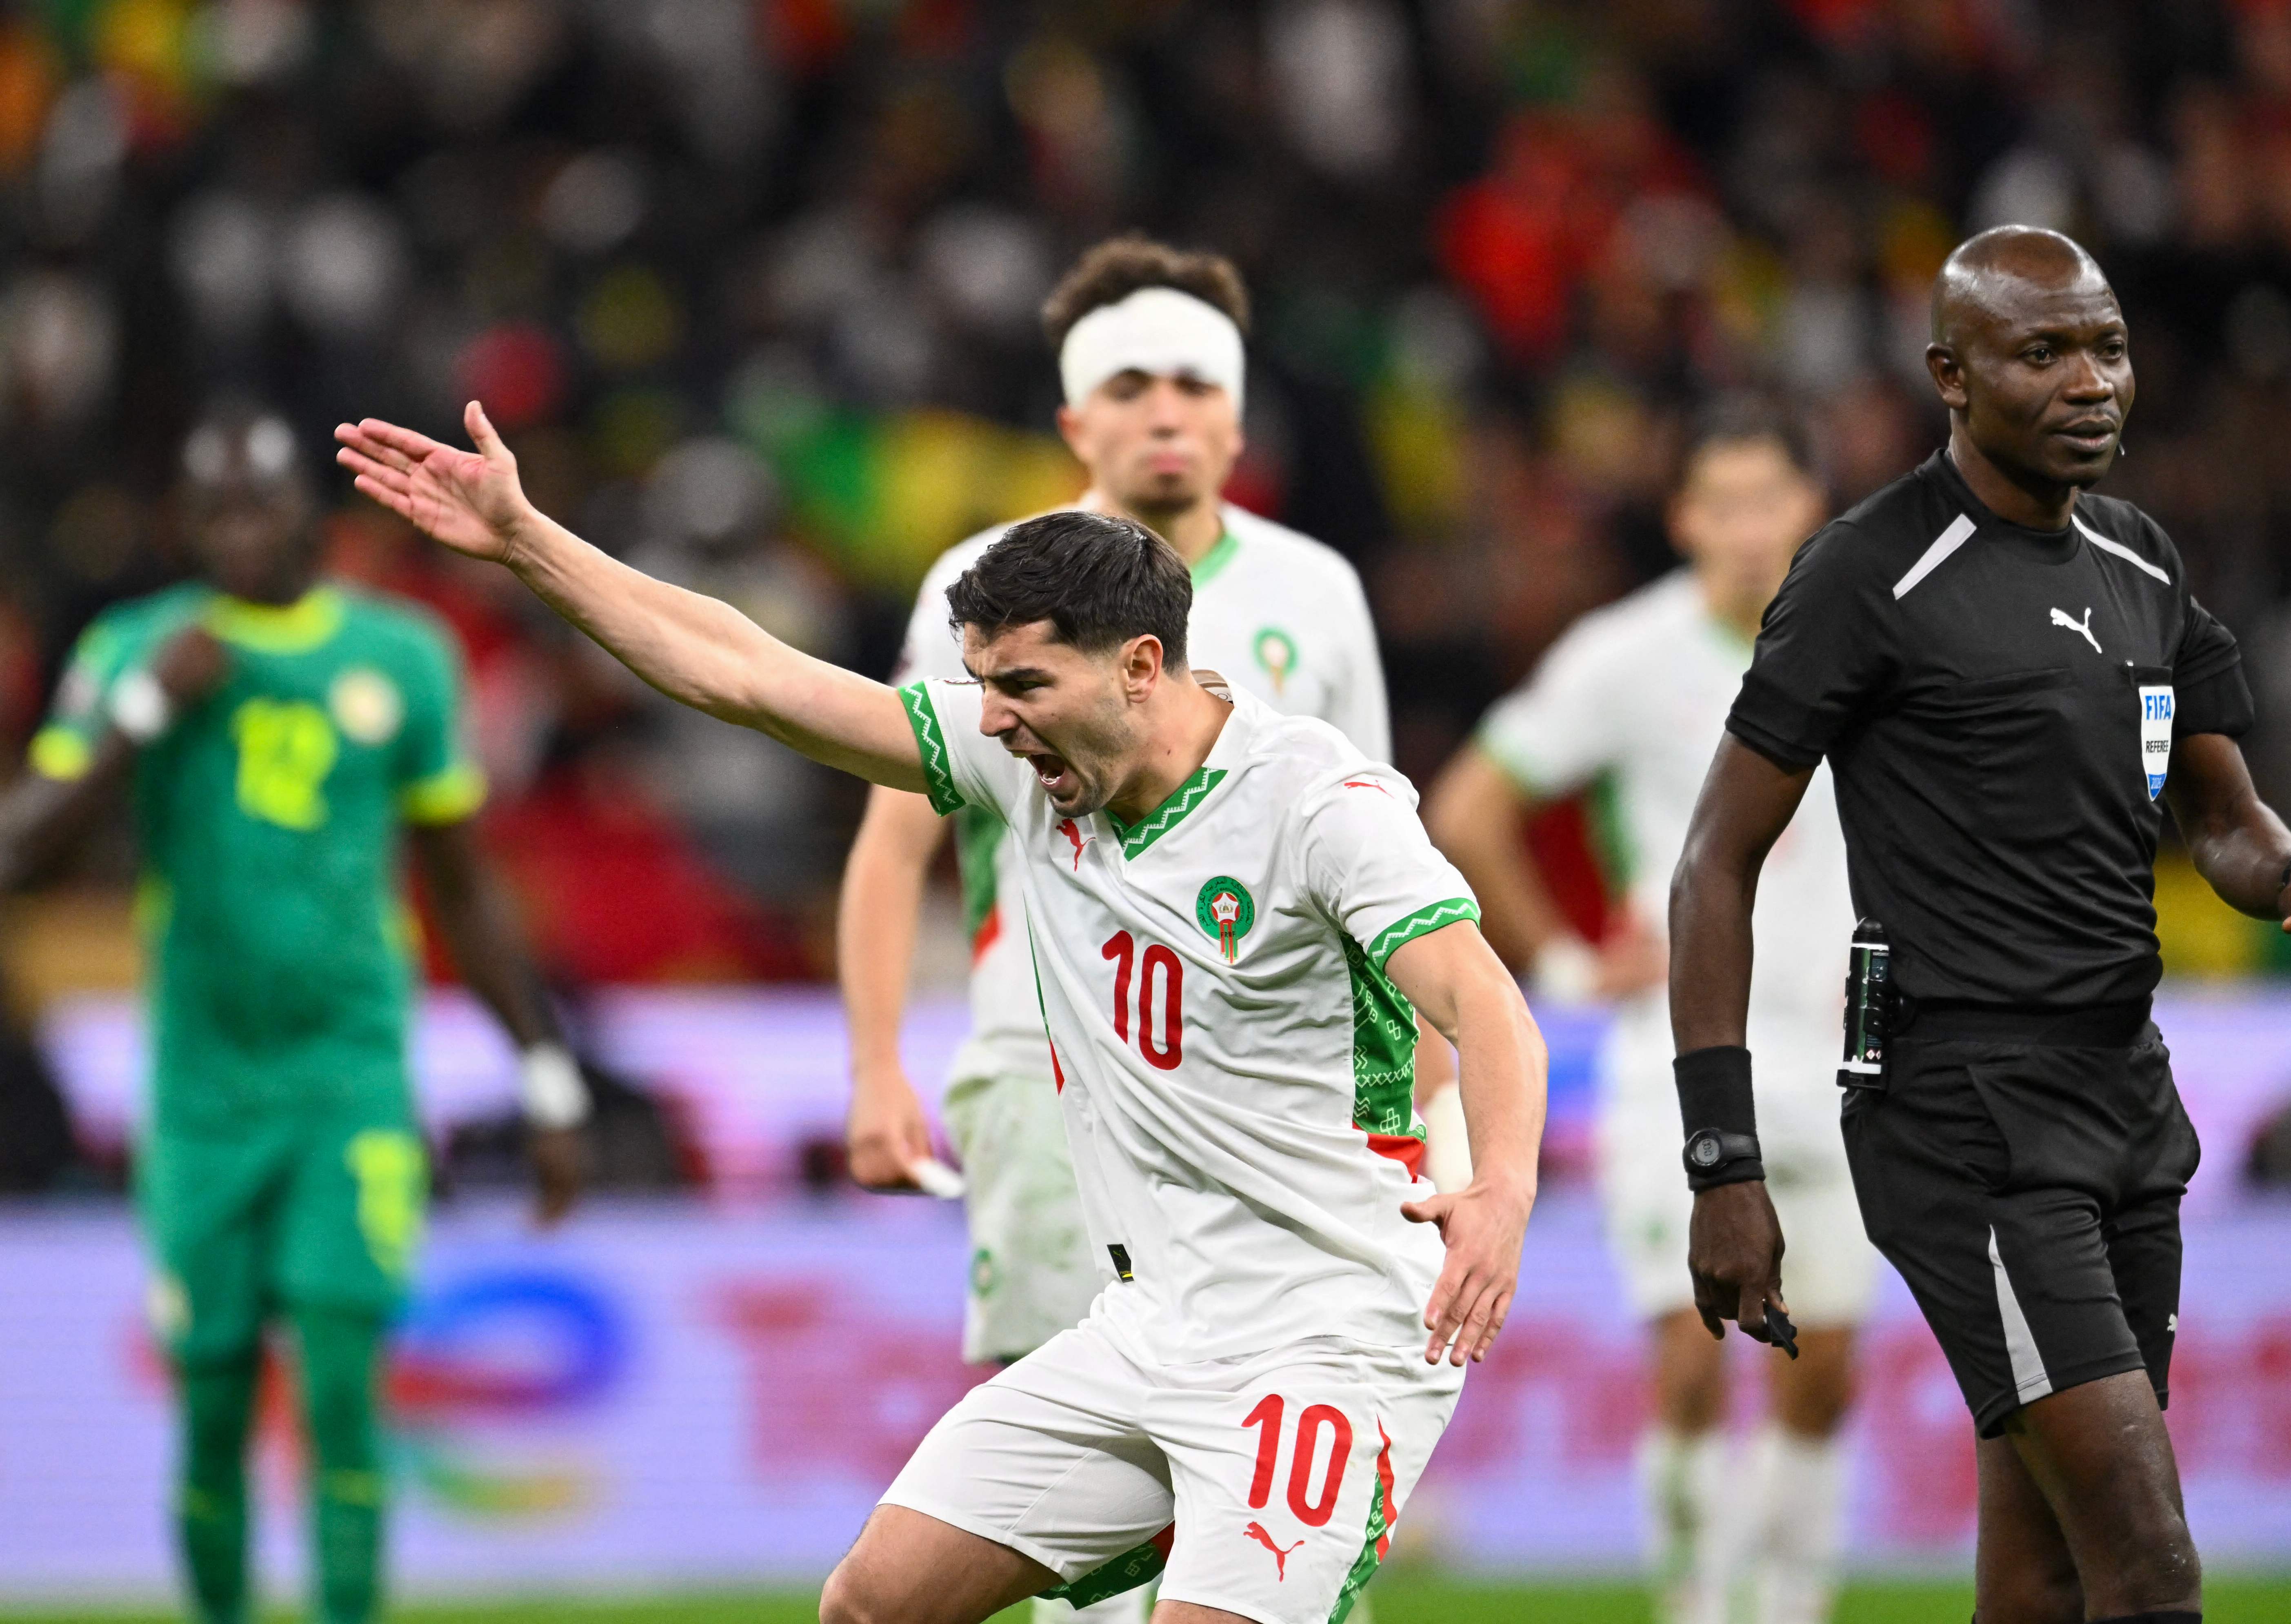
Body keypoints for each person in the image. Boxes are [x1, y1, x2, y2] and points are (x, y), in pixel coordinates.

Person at [333, 407, 1547, 1624]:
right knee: (872, 1603)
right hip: (1152, 1322)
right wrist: (529, 540)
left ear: (1139, 664)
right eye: (983, 688)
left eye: (1024, 684)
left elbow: (1484, 999)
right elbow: (750, 676)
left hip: (1322, 1332)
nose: (997, 719)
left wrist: (1498, 1187)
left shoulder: (1317, 801)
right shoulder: (1021, 761)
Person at [1668, 227, 2291, 1624]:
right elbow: (1713, 862)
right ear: (1951, 373)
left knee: (2045, 1568)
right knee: (2151, 1563)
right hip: (1965, 1114)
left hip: (2125, 1098)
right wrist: (1722, 1159)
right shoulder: (1870, 572)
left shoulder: (2142, 560)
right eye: (2042, 352)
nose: (2091, 381)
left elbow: (2218, 814)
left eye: (2106, 347)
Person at [0, 406, 585, 1624]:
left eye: (259, 505)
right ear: (186, 524)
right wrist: (141, 721)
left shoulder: (402, 656)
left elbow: (462, 880)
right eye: (214, 512)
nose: (239, 534)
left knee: (339, 1392)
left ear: (309, 515)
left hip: (351, 1079)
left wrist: (543, 1067)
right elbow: (22, 851)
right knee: (211, 1402)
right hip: (204, 1091)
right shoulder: (136, 650)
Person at [838, 237, 1429, 1426]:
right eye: (1129, 387)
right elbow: (895, 836)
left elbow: (1388, 867)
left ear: (1239, 417)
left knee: (1289, 1429)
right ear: (1074, 422)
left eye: (1196, 386)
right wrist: (874, 1063)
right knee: (1067, 1458)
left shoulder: (1318, 592)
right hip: (1046, 1062)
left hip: (1275, 1085)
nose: (1166, 413)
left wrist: (1426, 1101)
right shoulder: (987, 580)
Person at [1424, 401, 1867, 1624]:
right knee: (1691, 1353)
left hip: (1842, 1055)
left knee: (1823, 1370)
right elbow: (1468, 806)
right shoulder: (1625, 654)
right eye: (1717, 504)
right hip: (1676, 1058)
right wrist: (1564, 963)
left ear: (1806, 509)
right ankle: (1695, 1599)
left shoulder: (1870, 644)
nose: (1742, 528)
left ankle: (1791, 1605)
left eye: (1765, 500)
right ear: (1682, 519)